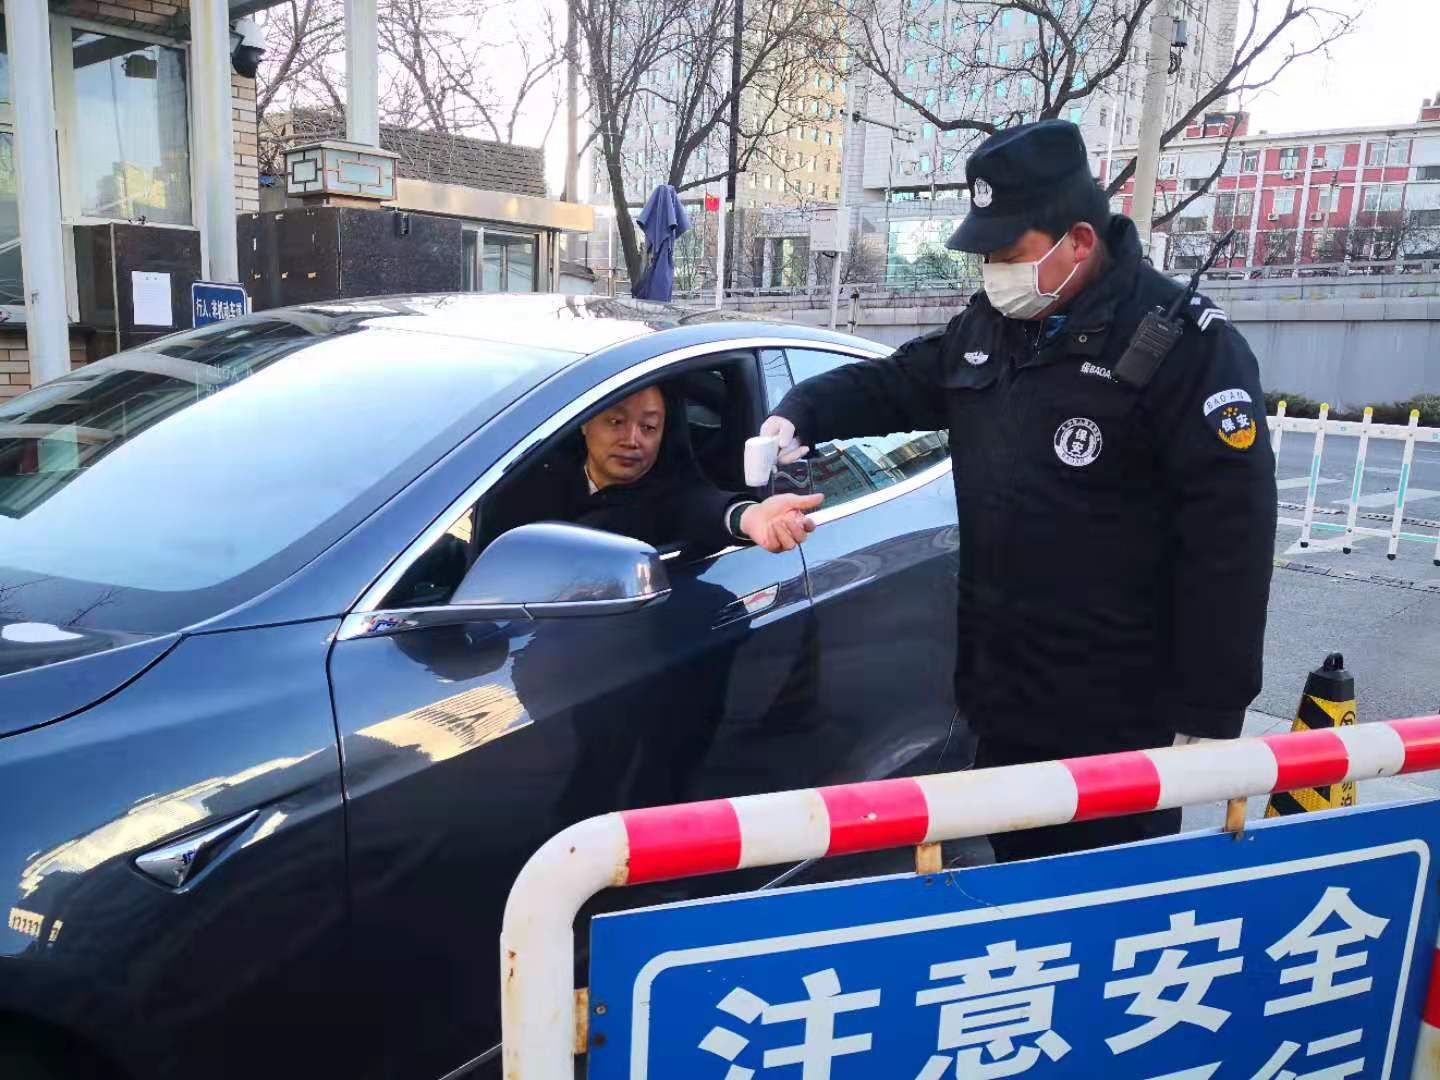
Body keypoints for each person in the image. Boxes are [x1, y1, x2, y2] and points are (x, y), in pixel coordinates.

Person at [758, 120, 1278, 862]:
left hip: (1118, 717)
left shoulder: (1185, 347)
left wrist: (1214, 705)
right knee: (1017, 882)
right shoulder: (995, 326)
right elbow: (897, 382)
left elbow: (1232, 535)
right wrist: (798, 413)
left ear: (1079, 241)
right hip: (1003, 694)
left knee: (1104, 899)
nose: (993, 273)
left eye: (1008, 255)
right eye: (986, 258)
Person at [480, 382, 822, 555]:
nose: (632, 440)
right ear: (584, 424)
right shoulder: (528, 477)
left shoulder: (666, 495)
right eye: (616, 421)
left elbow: (703, 507)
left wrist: (751, 517)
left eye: (648, 427)